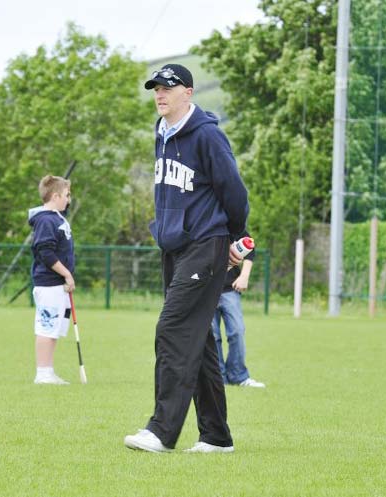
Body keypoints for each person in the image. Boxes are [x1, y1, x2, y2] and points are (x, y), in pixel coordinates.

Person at [124, 64, 250, 453]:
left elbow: (235, 192)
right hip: (174, 246)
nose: (160, 94)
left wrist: (234, 237)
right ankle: (216, 436)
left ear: (189, 92)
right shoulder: (161, 132)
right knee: (200, 342)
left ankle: (161, 430)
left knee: (173, 330)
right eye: (156, 88)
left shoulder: (208, 136)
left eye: (168, 87)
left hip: (206, 244)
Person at [28, 175, 75, 385]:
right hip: (49, 284)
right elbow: (45, 252)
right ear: (55, 196)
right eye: (66, 195)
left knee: (54, 326)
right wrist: (66, 273)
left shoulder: (56, 217)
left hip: (58, 286)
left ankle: (48, 370)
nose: (69, 199)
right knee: (46, 326)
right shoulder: (46, 220)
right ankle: (43, 373)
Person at [212, 231, 265, 388]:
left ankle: (239, 376)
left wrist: (244, 276)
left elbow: (250, 248)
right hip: (207, 290)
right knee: (212, 336)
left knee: (237, 331)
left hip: (230, 290)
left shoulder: (231, 223)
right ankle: (219, 378)